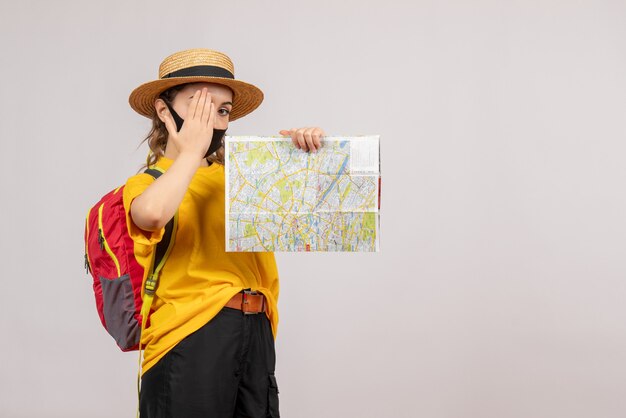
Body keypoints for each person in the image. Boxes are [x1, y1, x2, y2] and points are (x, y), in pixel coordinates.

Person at [124, 48, 326, 418]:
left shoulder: (246, 177)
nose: (212, 120)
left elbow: (318, 215)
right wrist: (191, 151)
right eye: (198, 105)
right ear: (164, 111)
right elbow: (151, 216)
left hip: (257, 331)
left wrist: (307, 156)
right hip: (189, 335)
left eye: (221, 111)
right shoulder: (148, 183)